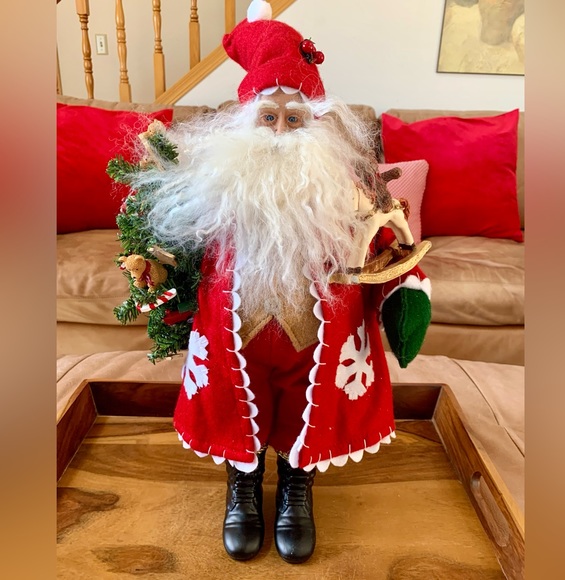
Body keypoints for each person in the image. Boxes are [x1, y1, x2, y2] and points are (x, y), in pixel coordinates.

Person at [133, 0, 431, 564]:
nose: (279, 132)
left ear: (315, 127)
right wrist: (159, 278)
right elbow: (181, 251)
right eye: (268, 118)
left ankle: (297, 484)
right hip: (235, 335)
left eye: (294, 121)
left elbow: (385, 243)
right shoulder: (220, 187)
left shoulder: (347, 191)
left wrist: (406, 289)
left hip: (318, 340)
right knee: (233, 400)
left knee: (306, 407)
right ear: (245, 122)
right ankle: (242, 484)